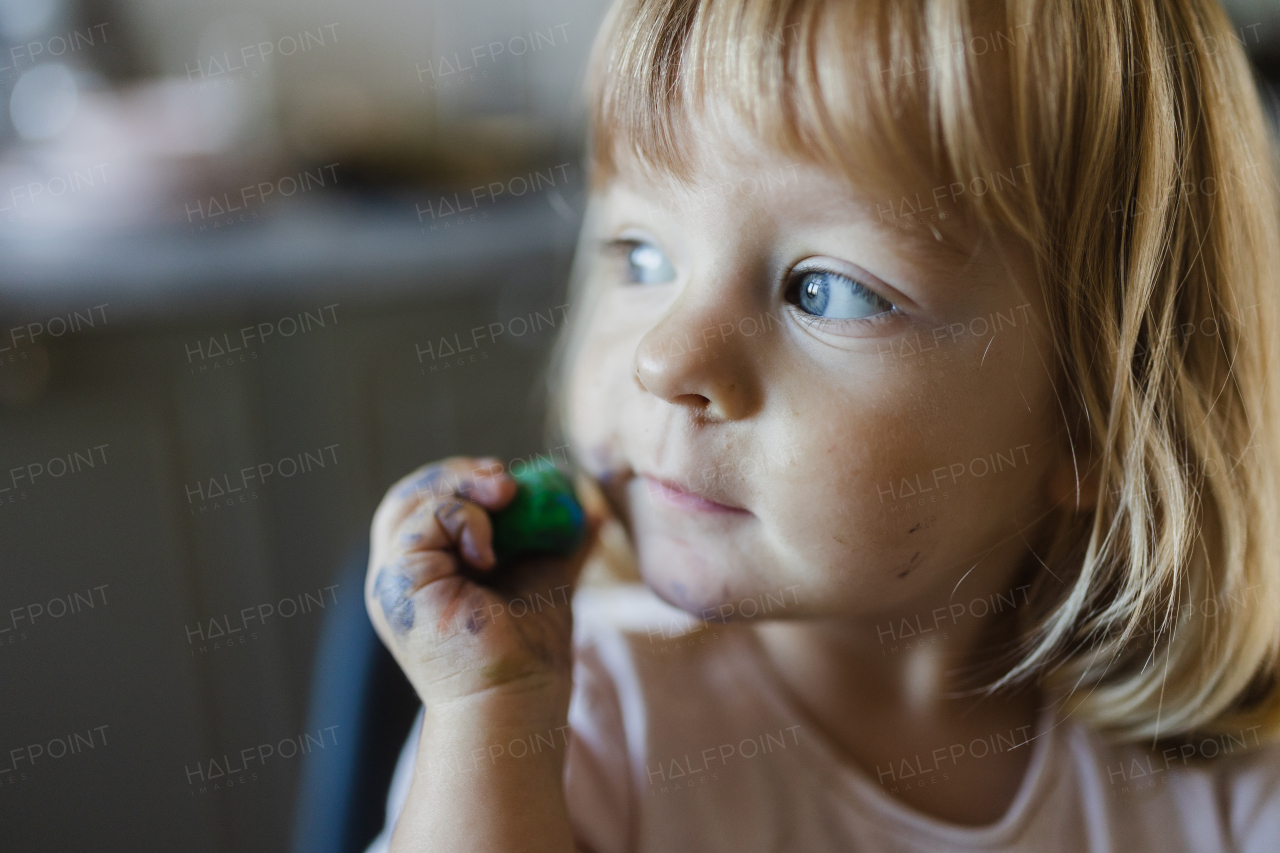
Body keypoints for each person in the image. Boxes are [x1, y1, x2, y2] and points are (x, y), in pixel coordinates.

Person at [362, 0, 1280, 849]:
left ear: (1099, 420)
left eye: (826, 289)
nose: (664, 359)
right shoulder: (561, 724)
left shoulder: (1220, 777)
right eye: (642, 253)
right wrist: (492, 712)